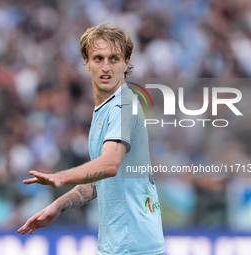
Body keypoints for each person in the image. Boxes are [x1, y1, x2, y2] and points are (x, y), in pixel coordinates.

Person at [18, 22, 165, 255]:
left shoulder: (123, 105)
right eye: (98, 58)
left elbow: (109, 165)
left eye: (114, 58)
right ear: (86, 63)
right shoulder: (105, 110)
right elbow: (101, 180)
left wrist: (60, 177)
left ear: (126, 63)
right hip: (118, 245)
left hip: (132, 246)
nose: (106, 66)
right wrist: (58, 205)